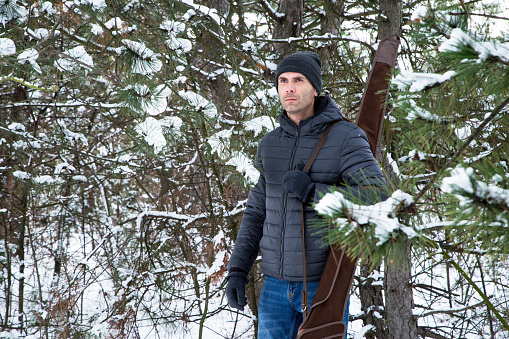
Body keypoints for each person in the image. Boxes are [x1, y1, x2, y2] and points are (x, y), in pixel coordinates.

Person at [226, 51, 387, 338]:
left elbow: (376, 195)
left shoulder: (345, 137)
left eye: (298, 80)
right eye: (283, 80)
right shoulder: (270, 144)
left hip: (322, 286)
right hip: (274, 287)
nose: (289, 87)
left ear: (315, 88)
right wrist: (238, 269)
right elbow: (256, 212)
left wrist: (314, 192)